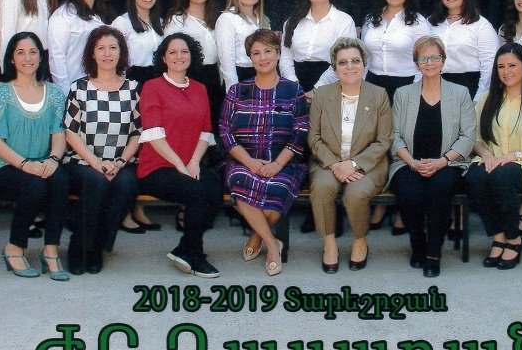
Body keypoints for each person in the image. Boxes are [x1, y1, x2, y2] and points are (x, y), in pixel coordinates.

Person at [0, 32, 69, 280]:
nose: (27, 58)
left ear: (41, 57)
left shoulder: (54, 92)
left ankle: (51, 250)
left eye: (33, 52)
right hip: (2, 165)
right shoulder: (0, 92)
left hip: (42, 162)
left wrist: (53, 160)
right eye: (20, 52)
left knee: (60, 179)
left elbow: (59, 134)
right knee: (35, 186)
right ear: (11, 58)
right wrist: (25, 164)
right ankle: (14, 248)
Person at [220, 30, 309, 276]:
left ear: (278, 54)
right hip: (243, 160)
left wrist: (277, 165)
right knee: (240, 182)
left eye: (268, 51)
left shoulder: (294, 90)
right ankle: (272, 245)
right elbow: (225, 131)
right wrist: (249, 162)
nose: (263, 57)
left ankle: (256, 237)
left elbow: (300, 131)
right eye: (256, 53)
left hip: (283, 161)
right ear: (250, 58)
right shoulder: (237, 90)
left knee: (273, 201)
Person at [389, 36, 476, 277]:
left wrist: (442, 162)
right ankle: (418, 245)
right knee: (410, 192)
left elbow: (468, 136)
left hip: (449, 163)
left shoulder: (460, 93)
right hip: (409, 162)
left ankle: (433, 254)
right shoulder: (403, 94)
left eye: (435, 57)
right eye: (423, 58)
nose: (429, 63)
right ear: (416, 62)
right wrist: (412, 163)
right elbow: (393, 135)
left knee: (440, 188)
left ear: (443, 60)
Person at [137, 33, 224, 277]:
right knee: (197, 192)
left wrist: (194, 162)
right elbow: (154, 134)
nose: (179, 56)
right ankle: (195, 255)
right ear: (164, 58)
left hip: (189, 164)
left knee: (215, 188)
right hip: (157, 168)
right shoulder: (152, 87)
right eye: (172, 52)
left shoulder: (199, 88)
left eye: (184, 51)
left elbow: (206, 131)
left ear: (191, 56)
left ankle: (185, 247)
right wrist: (180, 165)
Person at [465, 42, 522, 270]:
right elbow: (475, 139)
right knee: (474, 176)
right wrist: (486, 154)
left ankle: (514, 238)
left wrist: (513, 156)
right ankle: (498, 237)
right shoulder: (487, 98)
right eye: (501, 67)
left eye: (512, 65)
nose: (506, 71)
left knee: (501, 176)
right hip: (492, 160)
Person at [308, 38, 392, 273]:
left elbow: (384, 140)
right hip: (328, 162)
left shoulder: (378, 94)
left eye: (355, 60)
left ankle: (360, 241)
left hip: (368, 163)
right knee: (322, 188)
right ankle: (329, 244)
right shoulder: (322, 95)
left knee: (355, 193)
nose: (350, 66)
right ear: (335, 67)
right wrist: (336, 164)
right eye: (343, 62)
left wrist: (354, 164)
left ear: (364, 63)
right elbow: (314, 137)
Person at [63, 26, 141, 275]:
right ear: (92, 53)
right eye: (101, 48)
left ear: (121, 52)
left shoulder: (133, 88)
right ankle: (79, 246)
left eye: (113, 48)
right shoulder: (79, 88)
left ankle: (96, 247)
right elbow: (70, 132)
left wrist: (119, 162)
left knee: (125, 184)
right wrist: (96, 163)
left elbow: (138, 132)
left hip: (121, 162)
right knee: (96, 182)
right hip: (82, 161)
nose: (107, 54)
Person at [279, 0, 356, 95]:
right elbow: (286, 57)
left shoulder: (344, 21)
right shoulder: (291, 22)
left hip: (331, 85)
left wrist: (317, 89)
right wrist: (294, 85)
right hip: (295, 86)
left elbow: (344, 60)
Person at [361, 0, 431, 104]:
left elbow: (426, 59)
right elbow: (364, 56)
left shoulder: (419, 22)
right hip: (372, 84)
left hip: (406, 84)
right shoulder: (370, 19)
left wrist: (416, 89)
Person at [427, 0, 499, 101]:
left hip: (469, 86)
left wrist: (479, 97)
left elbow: (490, 65)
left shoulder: (481, 25)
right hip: (435, 85)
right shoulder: (430, 23)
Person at [164, 0, 224, 123]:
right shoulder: (176, 21)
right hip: (189, 76)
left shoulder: (220, 18)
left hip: (214, 77)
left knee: (213, 122)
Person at [48, 0, 112, 94]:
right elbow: (57, 58)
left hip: (102, 90)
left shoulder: (105, 14)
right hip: (74, 91)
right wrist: (66, 94)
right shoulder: (64, 15)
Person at [215, 0, 269, 91]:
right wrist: (234, 91)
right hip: (240, 76)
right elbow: (227, 60)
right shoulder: (228, 18)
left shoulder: (264, 20)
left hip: (262, 76)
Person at [111, 0, 165, 90]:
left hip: (160, 83)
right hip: (134, 84)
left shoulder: (161, 22)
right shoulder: (122, 23)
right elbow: (114, 58)